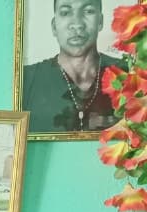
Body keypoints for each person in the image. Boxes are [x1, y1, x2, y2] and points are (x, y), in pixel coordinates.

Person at [22, 0, 123, 133]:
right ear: (54, 26)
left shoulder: (129, 74)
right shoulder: (26, 80)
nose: (77, 24)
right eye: (65, 12)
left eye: (88, 11)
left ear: (100, 21)